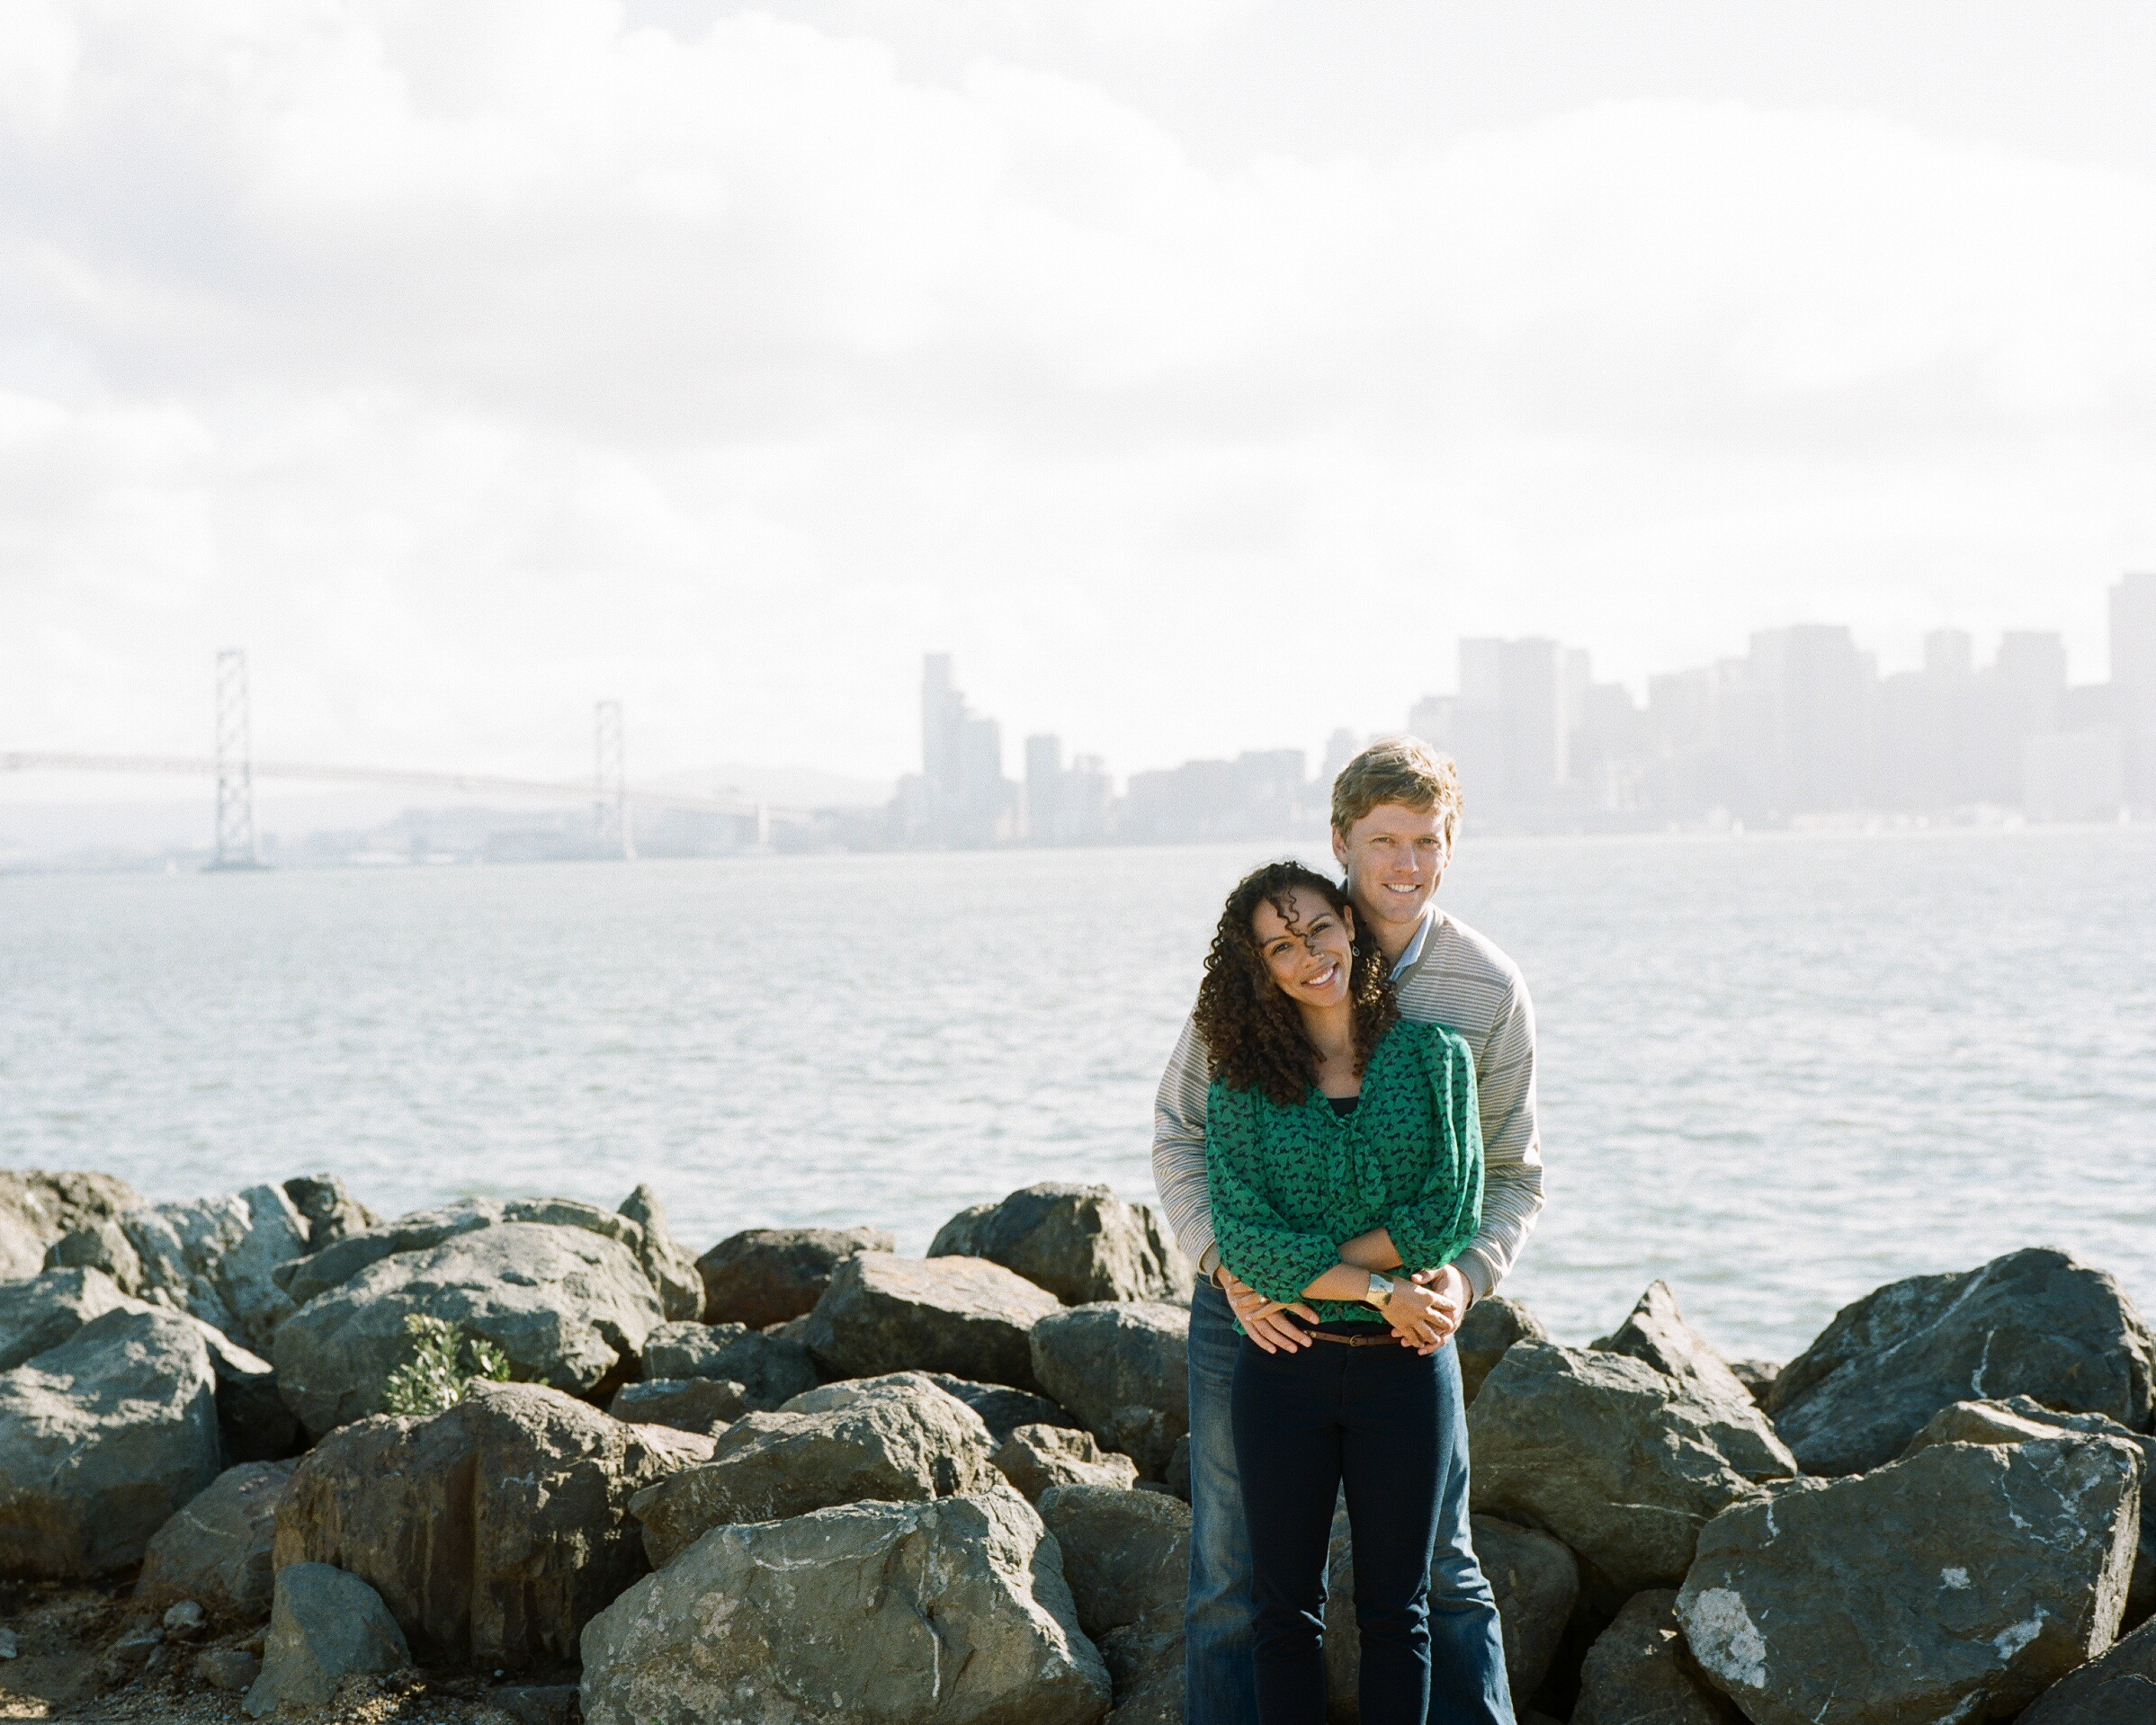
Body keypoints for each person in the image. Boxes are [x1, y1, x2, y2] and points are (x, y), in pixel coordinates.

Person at [1155, 737, 1543, 1725]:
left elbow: (1511, 1173)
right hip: (1249, 1311)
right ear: (1342, 840)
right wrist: (1226, 1261)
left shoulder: (1483, 989)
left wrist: (1466, 1275)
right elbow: (1183, 1131)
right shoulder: (1273, 955)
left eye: (1427, 839)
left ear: (1451, 844)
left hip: (1413, 1310)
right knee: (1230, 1572)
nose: (1406, 863)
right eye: (1384, 840)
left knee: (1440, 1568)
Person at [1201, 860, 1484, 1724]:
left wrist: (1309, 1271)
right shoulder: (1241, 1086)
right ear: (1261, 968)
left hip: (1407, 1365)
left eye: (1318, 928)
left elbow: (1448, 1212)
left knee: (1400, 1613)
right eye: (1280, 946)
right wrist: (1374, 1286)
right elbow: (1241, 1238)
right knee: (1283, 1612)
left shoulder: (1437, 1060)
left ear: (1351, 926)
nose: (1308, 954)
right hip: (1283, 1371)